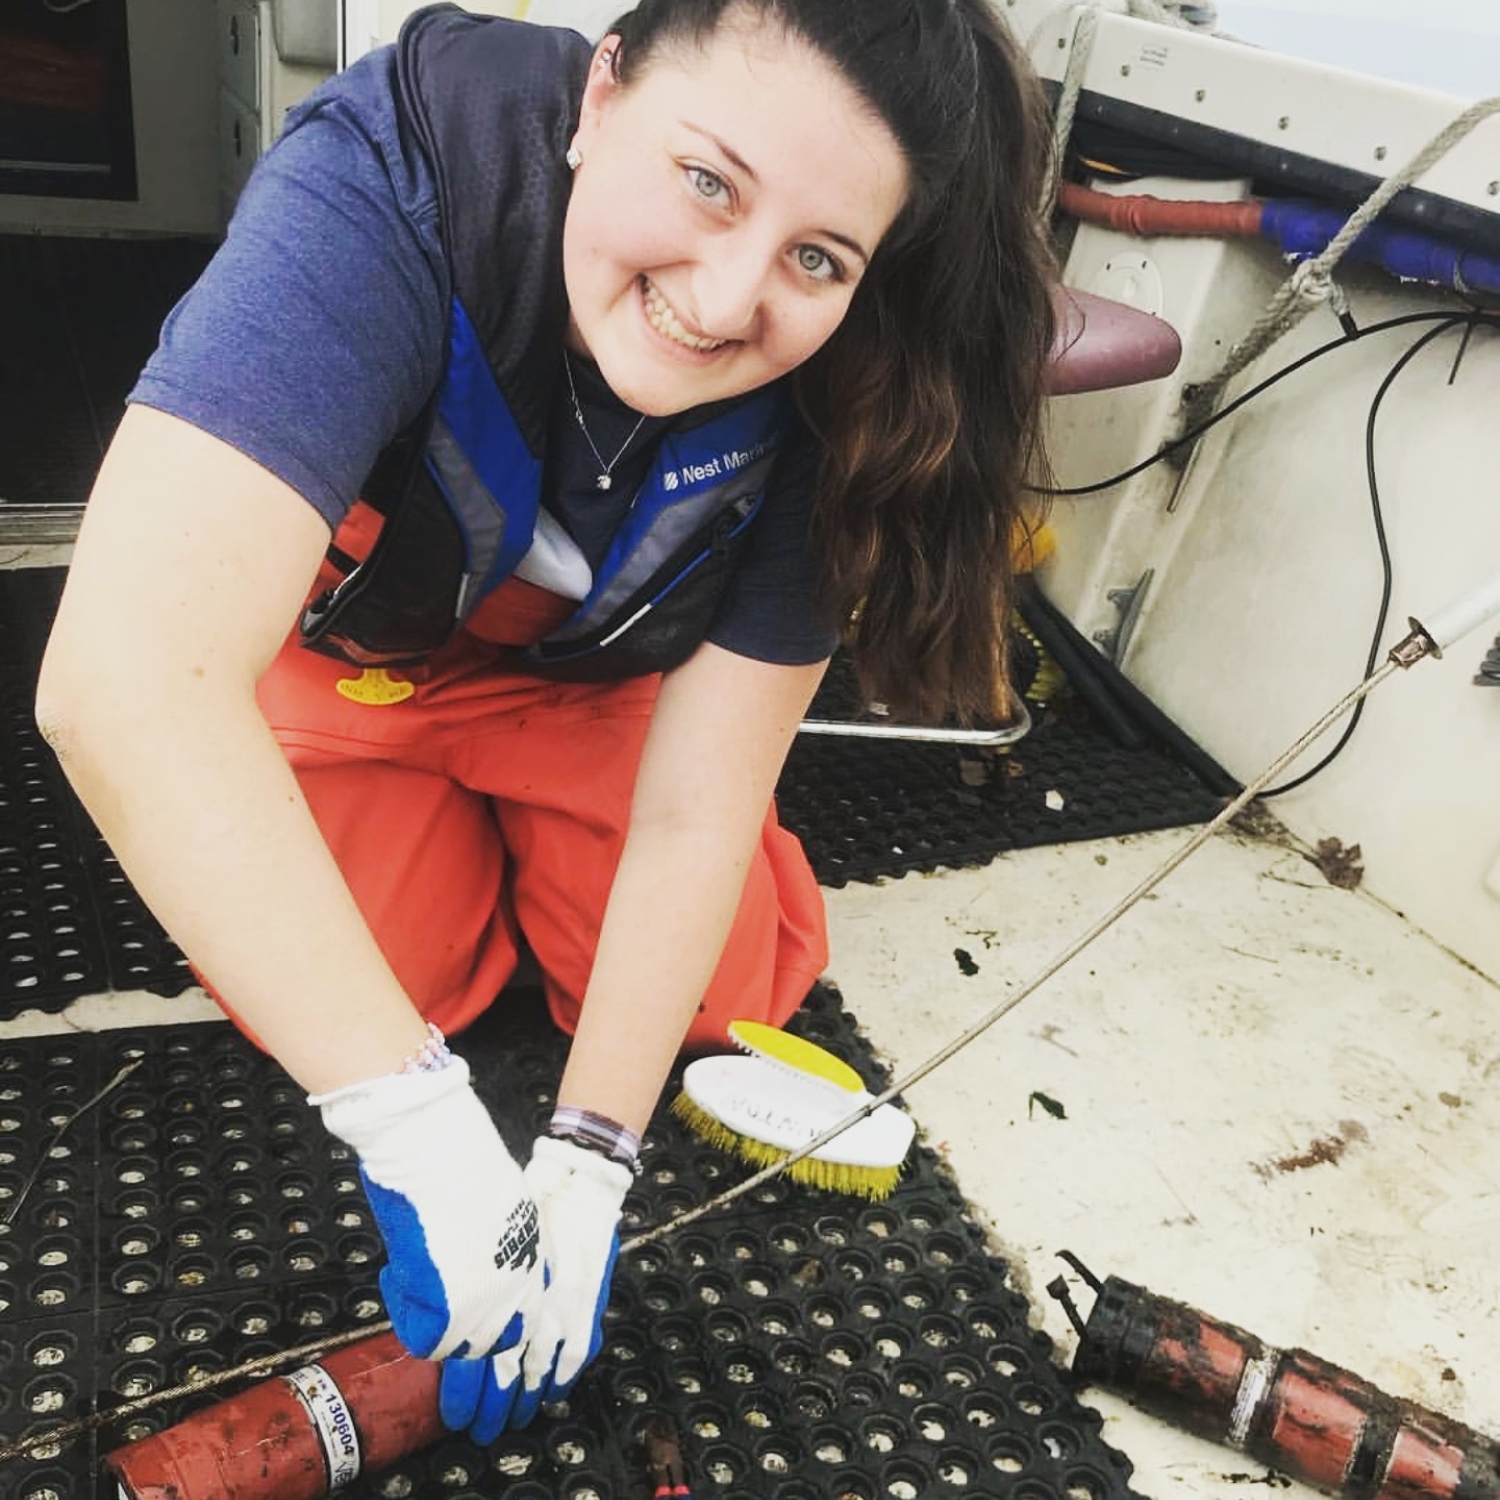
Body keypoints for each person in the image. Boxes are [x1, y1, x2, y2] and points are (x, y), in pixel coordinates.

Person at [36, 0, 1055, 1446]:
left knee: (719, 1008)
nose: (725, 298)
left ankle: (535, 859)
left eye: (815, 258)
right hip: (361, 663)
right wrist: (417, 1124)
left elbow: (702, 808)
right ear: (603, 92)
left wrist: (585, 1157)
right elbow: (124, 678)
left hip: (597, 684)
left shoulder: (845, 381)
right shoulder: (384, 179)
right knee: (390, 989)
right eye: (709, 180)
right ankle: (457, 880)